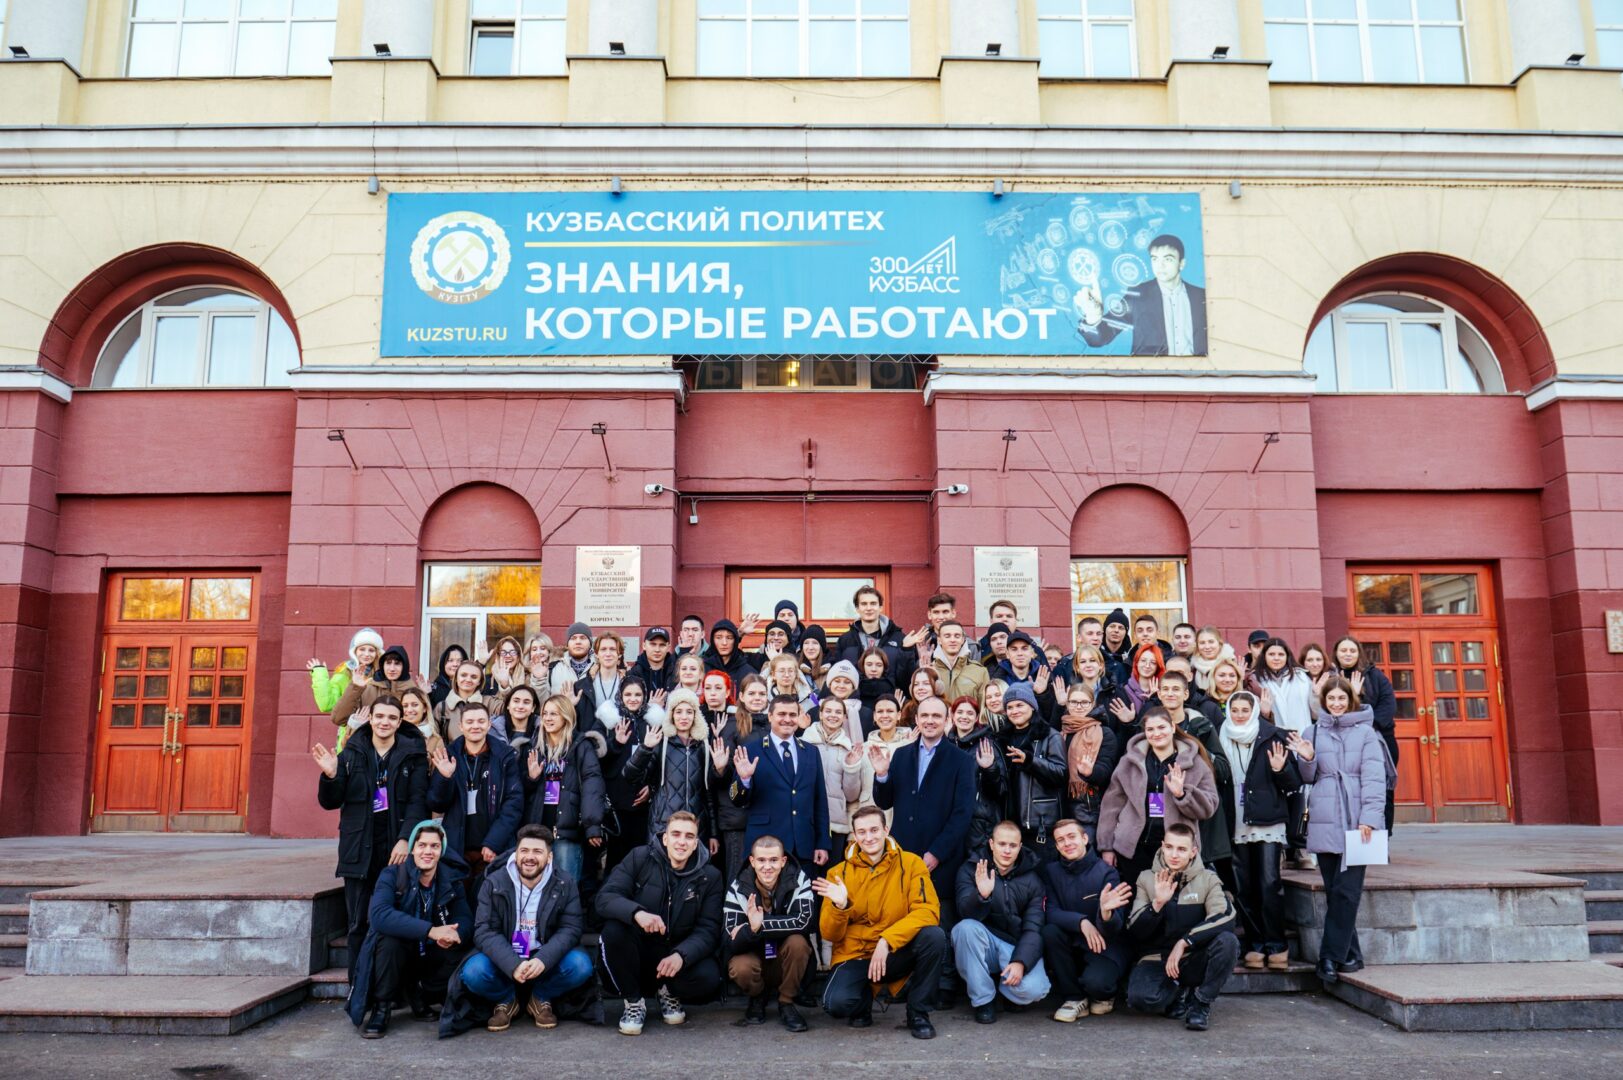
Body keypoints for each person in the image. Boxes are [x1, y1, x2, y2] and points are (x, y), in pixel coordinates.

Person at [313, 695, 428, 984]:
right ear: (371, 719)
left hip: (395, 849)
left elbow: (418, 802)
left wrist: (406, 839)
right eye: (379, 716)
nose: (384, 722)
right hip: (358, 850)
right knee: (358, 924)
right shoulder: (352, 752)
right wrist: (330, 775)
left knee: (398, 921)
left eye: (391, 717)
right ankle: (358, 989)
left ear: (400, 722)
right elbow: (330, 801)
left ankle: (393, 990)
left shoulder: (412, 755)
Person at [445, 825, 595, 1035]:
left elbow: (570, 928)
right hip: (504, 954)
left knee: (580, 965)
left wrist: (544, 959)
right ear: (516, 853)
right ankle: (506, 1000)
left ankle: (540, 997)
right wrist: (512, 964)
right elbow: (484, 931)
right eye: (524, 850)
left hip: (544, 954)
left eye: (537, 851)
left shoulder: (564, 882)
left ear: (549, 857)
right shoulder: (494, 881)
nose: (529, 857)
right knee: (473, 972)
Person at [813, 805, 946, 1039]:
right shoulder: (838, 873)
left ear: (886, 830)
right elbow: (830, 935)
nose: (869, 837)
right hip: (856, 955)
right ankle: (863, 1002)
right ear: (854, 835)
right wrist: (840, 906)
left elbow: (928, 911)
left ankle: (918, 1013)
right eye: (862, 832)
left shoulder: (912, 864)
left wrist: (887, 940)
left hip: (895, 952)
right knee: (834, 1003)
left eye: (874, 830)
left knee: (934, 937)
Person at [1296, 675, 1392, 985]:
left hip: (1357, 819)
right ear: (1323, 702)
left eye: (1341, 698)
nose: (1336, 704)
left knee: (1347, 892)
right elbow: (1307, 777)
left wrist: (1370, 818)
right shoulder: (1313, 731)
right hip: (1324, 817)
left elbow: (1375, 779)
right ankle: (1351, 955)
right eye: (1331, 699)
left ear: (1351, 700)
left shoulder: (1366, 733)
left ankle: (1328, 957)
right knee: (1334, 891)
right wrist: (1307, 758)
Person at [597, 811, 726, 1036]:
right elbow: (605, 898)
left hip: (674, 953)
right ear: (665, 838)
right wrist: (636, 913)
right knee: (613, 932)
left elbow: (709, 929)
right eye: (676, 834)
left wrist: (682, 955)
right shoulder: (639, 858)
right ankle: (634, 1002)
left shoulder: (710, 876)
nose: (682, 841)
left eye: (689, 836)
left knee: (708, 976)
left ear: (696, 843)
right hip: (639, 950)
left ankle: (667, 992)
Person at [348, 820, 472, 1037]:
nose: (428, 851)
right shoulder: (392, 874)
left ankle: (420, 995)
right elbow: (379, 915)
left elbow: (466, 919)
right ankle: (382, 1008)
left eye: (434, 846)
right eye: (422, 845)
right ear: (412, 848)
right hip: (399, 951)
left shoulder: (451, 881)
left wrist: (454, 934)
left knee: (462, 951)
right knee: (389, 941)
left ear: (441, 851)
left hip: (429, 953)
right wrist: (431, 931)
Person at [869, 697, 976, 938]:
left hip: (941, 861)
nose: (930, 721)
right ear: (916, 719)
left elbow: (962, 813)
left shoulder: (962, 760)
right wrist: (882, 775)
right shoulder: (900, 755)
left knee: (938, 931)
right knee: (900, 928)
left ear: (947, 721)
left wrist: (937, 852)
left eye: (936, 716)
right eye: (925, 715)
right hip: (903, 857)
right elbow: (885, 802)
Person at [1123, 823, 1239, 1031]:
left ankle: (1200, 1003)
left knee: (1228, 942)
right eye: (1169, 847)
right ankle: (1179, 993)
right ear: (1162, 846)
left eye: (1182, 849)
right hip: (1156, 959)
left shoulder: (1208, 879)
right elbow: (1134, 931)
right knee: (1139, 999)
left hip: (1192, 957)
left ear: (1193, 852)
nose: (1174, 855)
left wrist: (1185, 942)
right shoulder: (1146, 878)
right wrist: (1157, 904)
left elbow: (1226, 917)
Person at [1218, 690, 1300, 971]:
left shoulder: (1272, 736)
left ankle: (1276, 945)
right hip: (1236, 819)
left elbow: (1293, 783)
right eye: (1235, 710)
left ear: (1253, 711)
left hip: (1267, 821)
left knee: (1268, 883)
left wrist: (1280, 769)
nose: (1240, 715)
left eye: (1245, 710)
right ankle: (1255, 944)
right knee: (1243, 886)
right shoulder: (1221, 735)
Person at [1097, 707, 1219, 888]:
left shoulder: (1195, 763)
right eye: (1150, 729)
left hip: (1175, 850)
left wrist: (1182, 794)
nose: (1156, 733)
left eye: (1161, 727)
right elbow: (1111, 804)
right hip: (1133, 848)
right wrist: (1106, 846)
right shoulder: (1130, 762)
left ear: (1172, 727)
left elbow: (1209, 806)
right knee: (1138, 900)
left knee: (1171, 901)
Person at [952, 821, 1051, 1024]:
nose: (1007, 850)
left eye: (1012, 845)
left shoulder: (1033, 879)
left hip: (1014, 945)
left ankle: (1006, 991)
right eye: (1002, 844)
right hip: (984, 942)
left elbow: (1034, 928)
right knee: (964, 929)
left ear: (1020, 846)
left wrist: (1020, 962)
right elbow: (964, 913)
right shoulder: (971, 869)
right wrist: (981, 896)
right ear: (991, 844)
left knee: (1036, 989)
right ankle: (984, 1000)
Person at [1039, 818, 1133, 1022]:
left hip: (1105, 945)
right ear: (1056, 846)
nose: (1067, 843)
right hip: (1073, 943)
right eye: (1061, 840)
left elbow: (1115, 928)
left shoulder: (1107, 872)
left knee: (1098, 985)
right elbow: (1050, 912)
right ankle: (1074, 998)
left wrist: (1106, 913)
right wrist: (1082, 922)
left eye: (1071, 836)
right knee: (1050, 932)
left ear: (1084, 838)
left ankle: (1104, 995)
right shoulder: (1051, 871)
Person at [427, 701, 524, 898]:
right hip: (457, 848)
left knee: (488, 904)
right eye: (469, 722)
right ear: (461, 726)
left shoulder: (504, 756)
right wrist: (445, 778)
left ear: (489, 725)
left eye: (481, 721)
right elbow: (436, 803)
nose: (475, 726)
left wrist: (494, 842)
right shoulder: (448, 755)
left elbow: (513, 803)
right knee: (459, 904)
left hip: (491, 849)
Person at [731, 695, 832, 874]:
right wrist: (744, 780)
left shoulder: (811, 752)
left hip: (804, 845)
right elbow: (736, 800)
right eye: (781, 714)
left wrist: (822, 842)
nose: (787, 719)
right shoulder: (751, 750)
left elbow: (820, 801)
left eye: (792, 715)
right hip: (765, 846)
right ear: (770, 716)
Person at [724, 835, 816, 1032]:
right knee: (740, 966)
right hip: (755, 957)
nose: (767, 867)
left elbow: (804, 922)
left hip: (784, 959)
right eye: (761, 860)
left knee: (798, 943)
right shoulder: (738, 886)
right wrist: (752, 930)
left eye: (774, 860)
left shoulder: (799, 879)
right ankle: (758, 997)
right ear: (752, 861)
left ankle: (786, 1001)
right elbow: (730, 939)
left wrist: (759, 925)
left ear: (783, 861)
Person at [1076, 232, 1208, 356]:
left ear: (1182, 263)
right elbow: (1101, 338)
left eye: (1168, 259)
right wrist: (1093, 318)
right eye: (1155, 259)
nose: (1160, 266)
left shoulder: (1202, 297)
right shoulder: (1136, 295)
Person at [521, 694, 606, 882]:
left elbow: (592, 785)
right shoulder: (534, 746)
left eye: (554, 714)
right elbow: (520, 791)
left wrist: (592, 825)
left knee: (565, 887)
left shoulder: (580, 746)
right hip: (537, 830)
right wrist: (531, 778)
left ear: (566, 716)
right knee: (534, 887)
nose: (548, 718)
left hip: (567, 830)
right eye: (545, 713)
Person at [622, 687, 718, 845]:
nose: (684, 717)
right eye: (678, 711)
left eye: (689, 712)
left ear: (695, 715)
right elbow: (630, 775)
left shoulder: (703, 747)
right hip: (663, 824)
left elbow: (708, 794)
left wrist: (713, 834)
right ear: (671, 714)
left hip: (696, 826)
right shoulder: (661, 742)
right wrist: (645, 748)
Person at [1251, 636, 1316, 869]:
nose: (1276, 658)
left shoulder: (1302, 677)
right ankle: (1279, 848)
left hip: (1300, 738)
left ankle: (1299, 847)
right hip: (1273, 740)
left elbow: (1314, 709)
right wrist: (1265, 713)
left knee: (1301, 793)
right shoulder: (1256, 679)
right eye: (1271, 654)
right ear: (1264, 656)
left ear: (1287, 656)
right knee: (1277, 792)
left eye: (1280, 654)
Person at [1330, 635, 1399, 833]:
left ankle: (1383, 837)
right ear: (1336, 653)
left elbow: (1388, 705)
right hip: (1343, 742)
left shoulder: (1375, 676)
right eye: (1343, 650)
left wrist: (1364, 726)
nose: (1348, 654)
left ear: (1359, 653)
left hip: (1378, 740)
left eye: (1352, 650)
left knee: (1381, 790)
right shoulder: (1331, 677)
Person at [597, 678, 667, 872]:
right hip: (616, 798)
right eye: (628, 694)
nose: (633, 699)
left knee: (639, 853)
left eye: (638, 694)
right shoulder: (608, 720)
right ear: (620, 696)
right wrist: (616, 743)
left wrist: (652, 787)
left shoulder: (653, 722)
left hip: (642, 800)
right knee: (616, 856)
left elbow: (661, 761)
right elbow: (599, 759)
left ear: (644, 697)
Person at [996, 684, 1067, 858]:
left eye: (1019, 705)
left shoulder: (1050, 735)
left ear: (1032, 706)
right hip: (1009, 827)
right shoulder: (1001, 738)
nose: (1014, 711)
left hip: (1039, 828)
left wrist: (1030, 761)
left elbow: (1061, 774)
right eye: (1010, 707)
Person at [802, 696, 866, 851]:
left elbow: (851, 796)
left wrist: (851, 767)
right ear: (820, 714)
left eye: (838, 712)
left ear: (844, 717)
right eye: (828, 711)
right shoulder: (803, 743)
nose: (833, 715)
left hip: (835, 823)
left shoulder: (848, 749)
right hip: (806, 820)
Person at [947, 696, 1006, 856]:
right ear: (952, 715)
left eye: (969, 713)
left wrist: (989, 769)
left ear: (976, 717)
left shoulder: (987, 745)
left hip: (979, 824)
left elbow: (1000, 790)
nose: (964, 717)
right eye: (960, 712)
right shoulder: (945, 745)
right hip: (949, 821)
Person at [1061, 683, 1118, 846]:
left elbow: (1106, 769)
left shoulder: (1104, 733)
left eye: (1084, 702)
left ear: (1093, 704)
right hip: (1061, 805)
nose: (1078, 706)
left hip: (1088, 807)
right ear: (1067, 704)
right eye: (1074, 702)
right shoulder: (1061, 730)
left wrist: (1090, 773)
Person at [333, 644, 417, 738]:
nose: (392, 668)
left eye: (397, 663)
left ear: (404, 666)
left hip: (403, 745)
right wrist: (355, 688)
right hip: (367, 744)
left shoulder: (413, 693)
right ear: (382, 665)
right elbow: (338, 719)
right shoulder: (368, 688)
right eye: (388, 663)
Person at [308, 627, 383, 715]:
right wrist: (319, 674)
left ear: (377, 653)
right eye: (362, 649)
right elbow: (327, 704)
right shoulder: (345, 672)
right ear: (354, 651)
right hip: (351, 723)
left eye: (371, 650)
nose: (367, 654)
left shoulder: (383, 673)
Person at [834, 585, 907, 674]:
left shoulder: (899, 638)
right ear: (857, 609)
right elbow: (837, 673)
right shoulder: (845, 640)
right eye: (864, 604)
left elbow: (906, 674)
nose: (868, 608)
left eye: (873, 603)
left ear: (880, 607)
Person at [434, 661, 501, 744]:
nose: (468, 679)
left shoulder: (489, 702)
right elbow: (433, 737)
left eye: (474, 677)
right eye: (463, 675)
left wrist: (504, 685)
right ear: (456, 678)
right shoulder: (442, 707)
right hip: (451, 752)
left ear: (479, 682)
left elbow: (510, 708)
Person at [931, 619, 988, 704]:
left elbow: (984, 708)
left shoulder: (980, 671)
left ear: (963, 639)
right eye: (947, 636)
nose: (952, 640)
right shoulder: (931, 671)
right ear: (939, 640)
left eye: (957, 636)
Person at [574, 633, 628, 722]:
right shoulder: (581, 686)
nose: (608, 654)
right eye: (603, 649)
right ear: (596, 654)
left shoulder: (629, 684)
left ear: (619, 654)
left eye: (612, 649)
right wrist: (570, 706)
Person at [549, 622, 596, 695]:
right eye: (573, 638)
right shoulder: (553, 669)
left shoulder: (600, 668)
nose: (578, 642)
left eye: (583, 638)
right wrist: (538, 681)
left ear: (590, 643)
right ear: (567, 644)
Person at [629, 626, 678, 695]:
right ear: (644, 645)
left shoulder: (677, 672)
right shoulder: (633, 673)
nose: (657, 650)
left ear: (668, 647)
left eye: (662, 645)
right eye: (653, 644)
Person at [499, 684, 541, 759]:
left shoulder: (542, 731)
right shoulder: (493, 731)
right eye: (516, 701)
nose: (520, 706)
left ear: (533, 708)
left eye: (526, 702)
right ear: (508, 705)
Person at [1190, 627, 1236, 693]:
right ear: (1197, 646)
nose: (1207, 647)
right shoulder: (1193, 669)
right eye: (1202, 643)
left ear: (1219, 643)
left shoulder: (1232, 664)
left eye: (1211, 642)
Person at [428, 643, 468, 708]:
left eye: (460, 661)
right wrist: (427, 695)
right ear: (443, 664)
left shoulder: (470, 685)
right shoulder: (434, 688)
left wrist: (481, 664)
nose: (455, 664)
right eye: (450, 660)